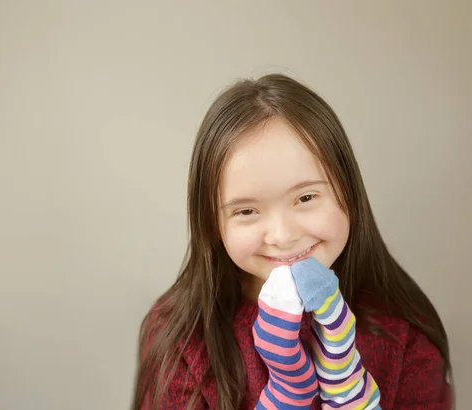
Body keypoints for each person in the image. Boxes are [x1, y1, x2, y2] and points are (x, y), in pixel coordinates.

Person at [132, 74, 453, 409]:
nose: (283, 236)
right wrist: (288, 393)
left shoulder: (404, 334)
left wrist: (346, 384)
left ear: (349, 192)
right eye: (246, 211)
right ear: (214, 224)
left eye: (305, 197)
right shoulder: (181, 338)